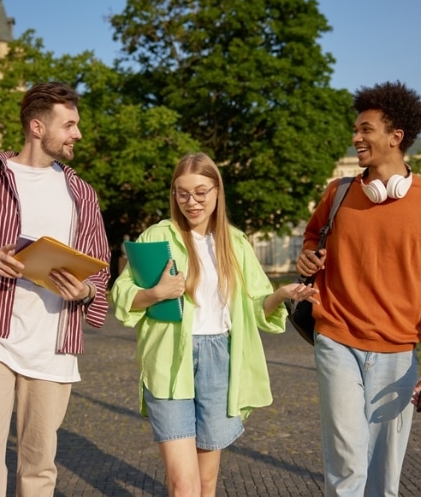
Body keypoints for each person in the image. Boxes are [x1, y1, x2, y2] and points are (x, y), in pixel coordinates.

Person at [0, 82, 111, 496]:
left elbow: (99, 273)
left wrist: (82, 293)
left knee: (38, 469)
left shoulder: (81, 193)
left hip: (52, 348)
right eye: (69, 125)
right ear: (36, 126)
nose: (77, 134)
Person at [296, 81, 421, 496]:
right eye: (355, 129)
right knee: (346, 459)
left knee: (384, 472)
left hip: (398, 352)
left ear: (396, 137)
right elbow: (313, 236)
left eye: (366, 129)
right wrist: (307, 256)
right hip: (336, 338)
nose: (356, 137)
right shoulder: (337, 193)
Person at [111, 153, 317, 496]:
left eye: (201, 192)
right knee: (183, 484)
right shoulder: (156, 236)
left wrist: (281, 293)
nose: (192, 202)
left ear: (218, 190)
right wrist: (156, 293)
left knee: (206, 483)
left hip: (220, 359)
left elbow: (253, 309)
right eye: (182, 193)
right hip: (169, 361)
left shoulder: (234, 242)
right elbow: (123, 294)